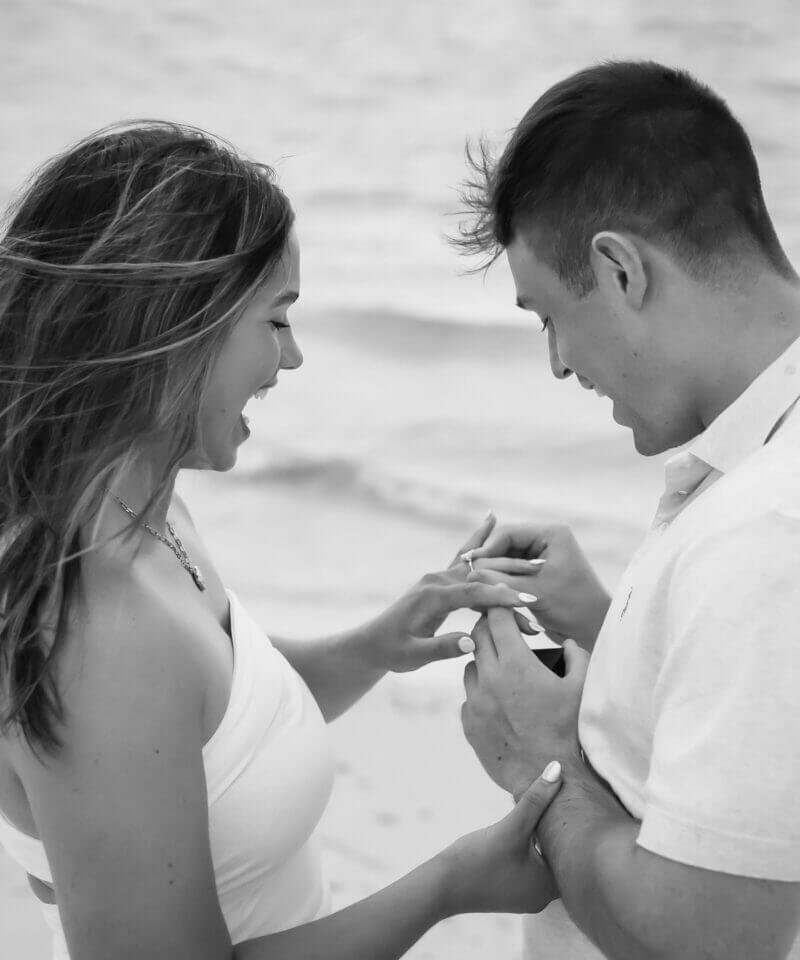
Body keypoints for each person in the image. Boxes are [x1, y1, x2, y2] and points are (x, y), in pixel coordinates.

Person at [0, 121, 561, 960]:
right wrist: (451, 883)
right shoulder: (98, 630)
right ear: (175, 326)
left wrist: (376, 645)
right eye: (276, 319)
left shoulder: (145, 518)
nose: (291, 359)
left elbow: (218, 719)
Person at [454, 61, 800, 959]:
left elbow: (707, 940)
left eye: (548, 316)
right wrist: (609, 632)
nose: (559, 365)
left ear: (619, 269)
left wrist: (538, 760)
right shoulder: (758, 471)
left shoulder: (764, 532)